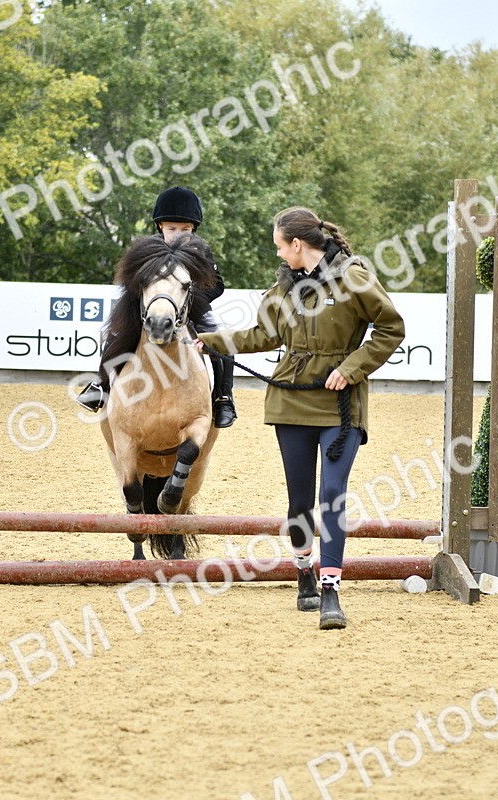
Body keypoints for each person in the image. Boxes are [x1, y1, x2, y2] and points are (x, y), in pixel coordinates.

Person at [196, 207, 404, 630]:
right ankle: (303, 569)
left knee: (333, 494)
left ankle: (331, 591)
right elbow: (263, 335)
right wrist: (210, 341)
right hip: (291, 401)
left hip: (340, 403)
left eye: (279, 246)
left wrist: (351, 368)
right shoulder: (283, 287)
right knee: (299, 502)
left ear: (297, 244)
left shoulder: (354, 277)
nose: (278, 254)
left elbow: (391, 328)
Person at [76, 187, 237, 428]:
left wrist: (188, 300)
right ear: (160, 226)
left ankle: (223, 399)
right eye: (172, 228)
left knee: (223, 342)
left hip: (190, 308)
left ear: (193, 228)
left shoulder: (200, 250)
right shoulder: (147, 249)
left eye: (185, 229)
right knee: (116, 334)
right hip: (150, 309)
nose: (178, 234)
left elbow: (218, 285)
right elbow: (130, 282)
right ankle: (102, 385)